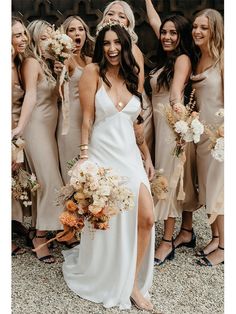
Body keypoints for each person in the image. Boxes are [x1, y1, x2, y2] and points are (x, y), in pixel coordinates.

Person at [62, 21, 155, 311]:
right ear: (100, 46)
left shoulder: (132, 74)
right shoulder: (92, 72)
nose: (112, 48)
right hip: (102, 153)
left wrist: (147, 157)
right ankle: (111, 274)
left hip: (128, 153)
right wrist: (84, 157)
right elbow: (87, 118)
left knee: (147, 218)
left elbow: (137, 124)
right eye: (106, 43)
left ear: (125, 45)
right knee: (111, 219)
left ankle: (131, 283)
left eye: (117, 43)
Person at [145, 1, 194, 266]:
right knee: (161, 176)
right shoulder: (166, 56)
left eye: (173, 33)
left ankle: (166, 241)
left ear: (181, 36)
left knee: (167, 180)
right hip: (155, 122)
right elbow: (154, 21)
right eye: (164, 32)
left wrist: (178, 118)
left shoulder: (183, 59)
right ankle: (181, 232)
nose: (166, 36)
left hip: (169, 125)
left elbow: (176, 91)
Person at [12, 19, 64, 263]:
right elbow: (31, 95)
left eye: (50, 37)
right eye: (42, 38)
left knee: (44, 180)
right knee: (47, 180)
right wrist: (20, 129)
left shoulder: (47, 63)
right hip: (35, 127)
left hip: (49, 128)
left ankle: (39, 227)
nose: (48, 42)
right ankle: (39, 235)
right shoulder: (32, 63)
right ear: (34, 40)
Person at [175, 9, 224, 267]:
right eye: (195, 26)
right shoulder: (196, 59)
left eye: (204, 27)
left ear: (214, 30)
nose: (197, 31)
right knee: (207, 189)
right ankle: (217, 236)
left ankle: (226, 247)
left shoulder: (223, 60)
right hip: (201, 135)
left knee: (219, 191)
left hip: (220, 137)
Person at [97, 0, 154, 154]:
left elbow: (139, 85)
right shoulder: (99, 46)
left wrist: (136, 119)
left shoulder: (132, 49)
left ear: (129, 23)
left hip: (133, 109)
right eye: (110, 13)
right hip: (109, 111)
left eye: (121, 16)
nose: (114, 18)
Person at [56, 16, 94, 186]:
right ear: (65, 35)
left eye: (80, 29)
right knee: (73, 172)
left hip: (90, 120)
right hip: (71, 122)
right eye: (72, 30)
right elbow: (59, 85)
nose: (77, 33)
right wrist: (59, 70)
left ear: (85, 33)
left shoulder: (90, 60)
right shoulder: (66, 60)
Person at [11, 16, 30, 256]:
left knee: (14, 180)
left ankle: (13, 222)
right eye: (17, 35)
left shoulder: (19, 62)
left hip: (16, 126)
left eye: (24, 33)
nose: (24, 38)